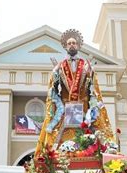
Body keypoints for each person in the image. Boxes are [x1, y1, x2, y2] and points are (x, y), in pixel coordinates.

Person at [35, 29, 117, 157]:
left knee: (88, 135)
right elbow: (53, 90)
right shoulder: (60, 66)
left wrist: (90, 77)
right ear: (65, 46)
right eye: (69, 43)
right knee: (58, 137)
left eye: (74, 43)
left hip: (83, 108)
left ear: (78, 46)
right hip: (65, 108)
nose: (72, 45)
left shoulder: (86, 65)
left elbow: (94, 88)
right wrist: (55, 80)